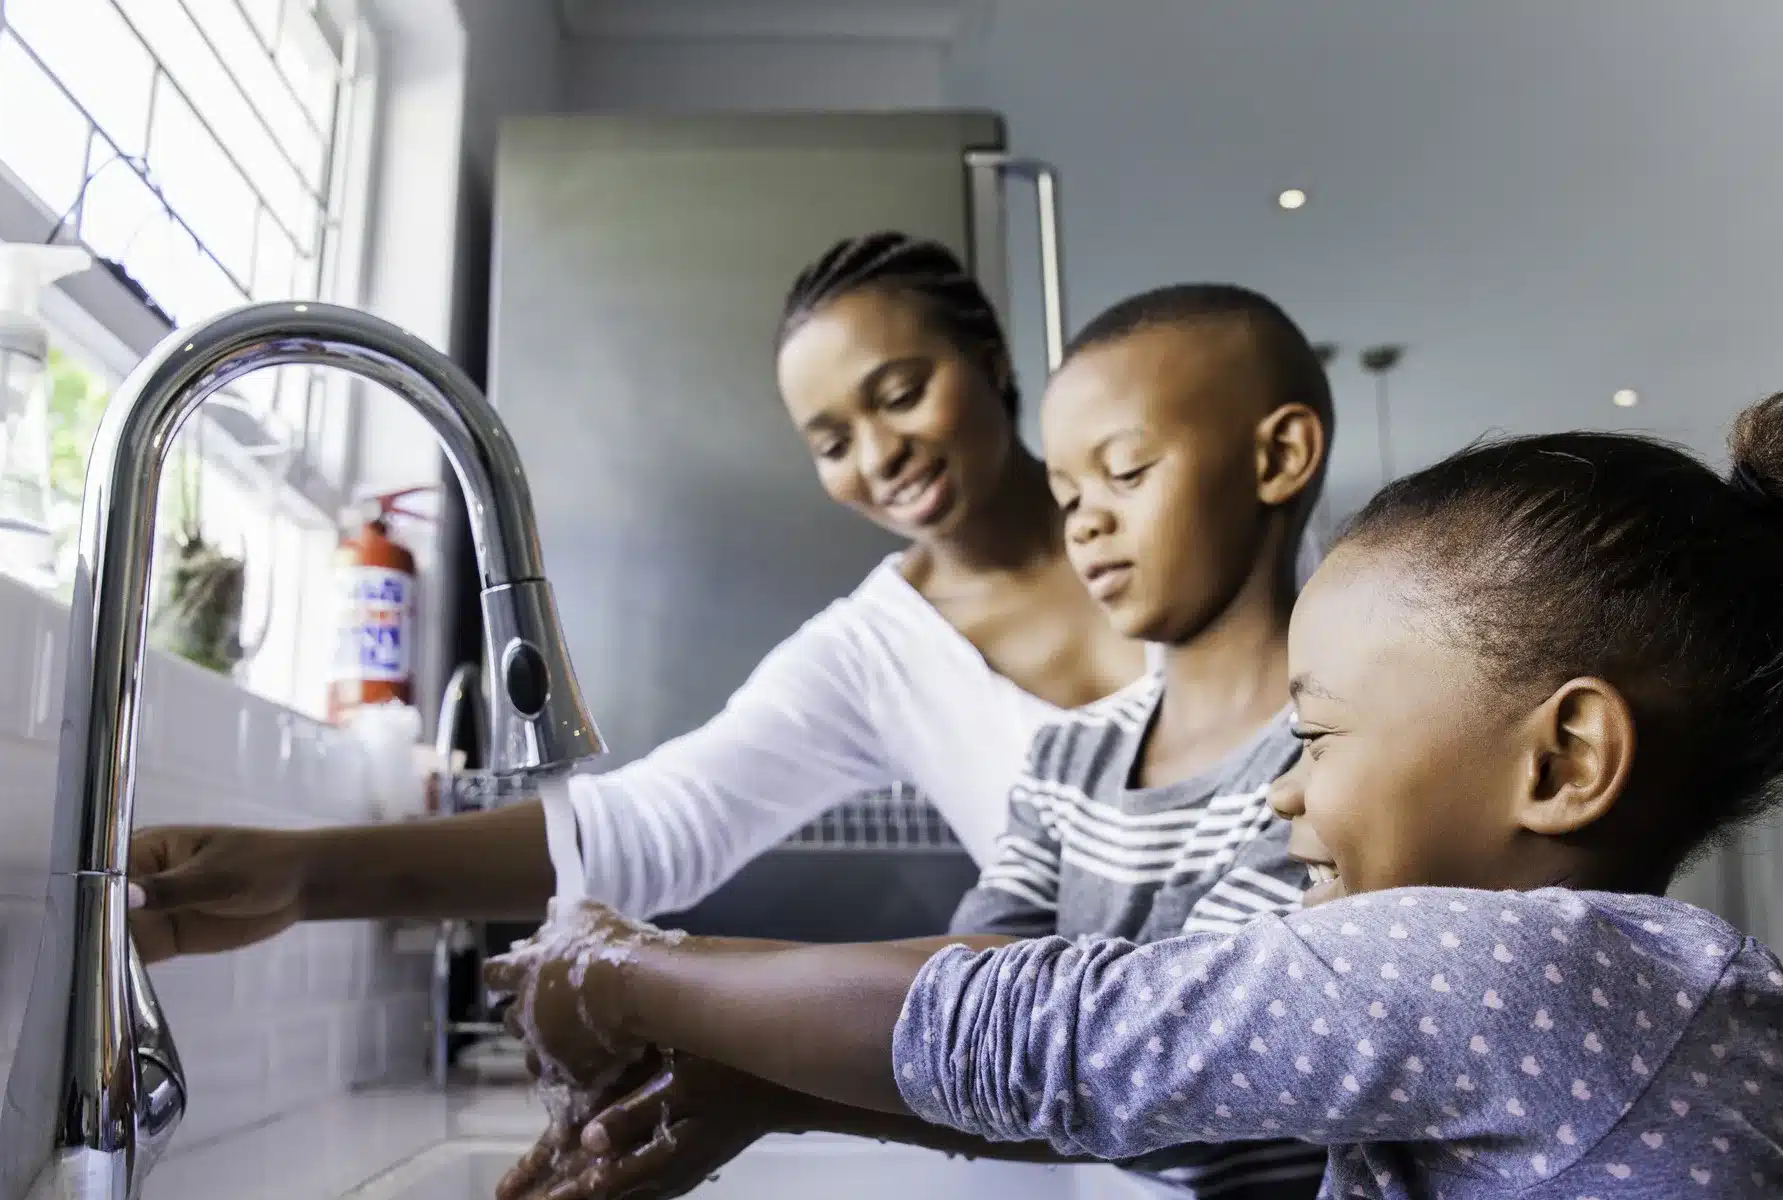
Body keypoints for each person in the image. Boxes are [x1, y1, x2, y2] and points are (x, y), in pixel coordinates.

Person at [488, 391, 1783, 1200]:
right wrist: (770, 1091)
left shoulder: (1525, 967)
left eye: (1317, 734)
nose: (1284, 789)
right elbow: (1161, 1086)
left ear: (1560, 758)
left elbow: (1064, 1033)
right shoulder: (1570, 988)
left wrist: (628, 965)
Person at [494, 284, 1338, 1200]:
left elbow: (1147, 1056)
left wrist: (640, 976)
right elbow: (982, 994)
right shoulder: (1070, 761)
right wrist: (765, 1086)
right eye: (1069, 495)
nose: (1087, 525)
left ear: (1279, 457)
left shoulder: (1338, 760)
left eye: (1128, 473)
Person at [124, 232, 1143, 961]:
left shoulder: (1158, 512)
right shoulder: (872, 655)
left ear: (993, 362)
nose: (880, 455)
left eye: (902, 392)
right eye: (831, 442)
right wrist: (306, 875)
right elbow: (653, 826)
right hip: (1164, 1142)